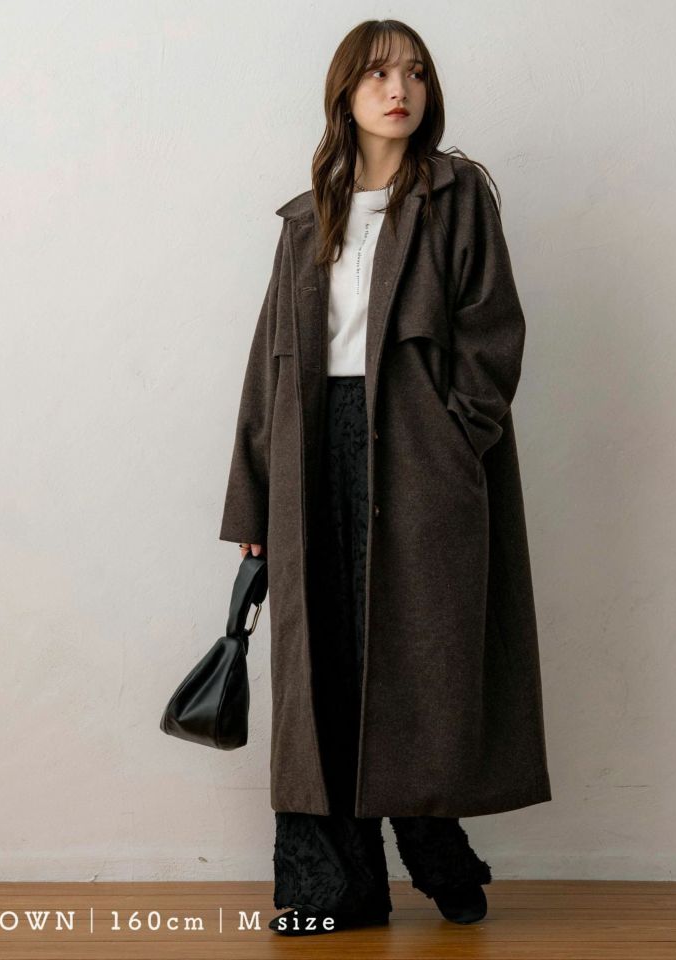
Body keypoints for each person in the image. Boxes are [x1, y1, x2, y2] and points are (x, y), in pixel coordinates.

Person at [220, 18, 551, 938]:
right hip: (313, 450)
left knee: (412, 666)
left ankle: (439, 854)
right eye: (376, 74)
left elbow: (493, 330)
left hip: (415, 449)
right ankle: (335, 892)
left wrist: (455, 438)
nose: (397, 88)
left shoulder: (457, 193)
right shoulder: (306, 216)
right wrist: (256, 504)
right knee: (320, 671)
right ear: (345, 94)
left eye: (413, 73)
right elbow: (269, 368)